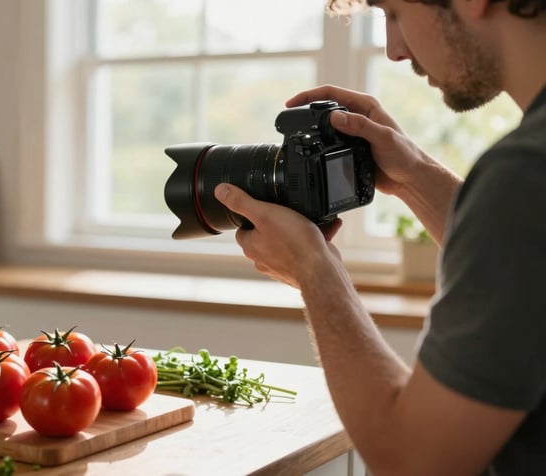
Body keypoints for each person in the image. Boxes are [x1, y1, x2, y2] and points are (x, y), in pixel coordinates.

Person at [213, 1, 546, 475]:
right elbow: (528, 263)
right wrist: (413, 174)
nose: (393, 49)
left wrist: (314, 268)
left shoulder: (525, 175)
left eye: (393, 11)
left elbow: (413, 460)